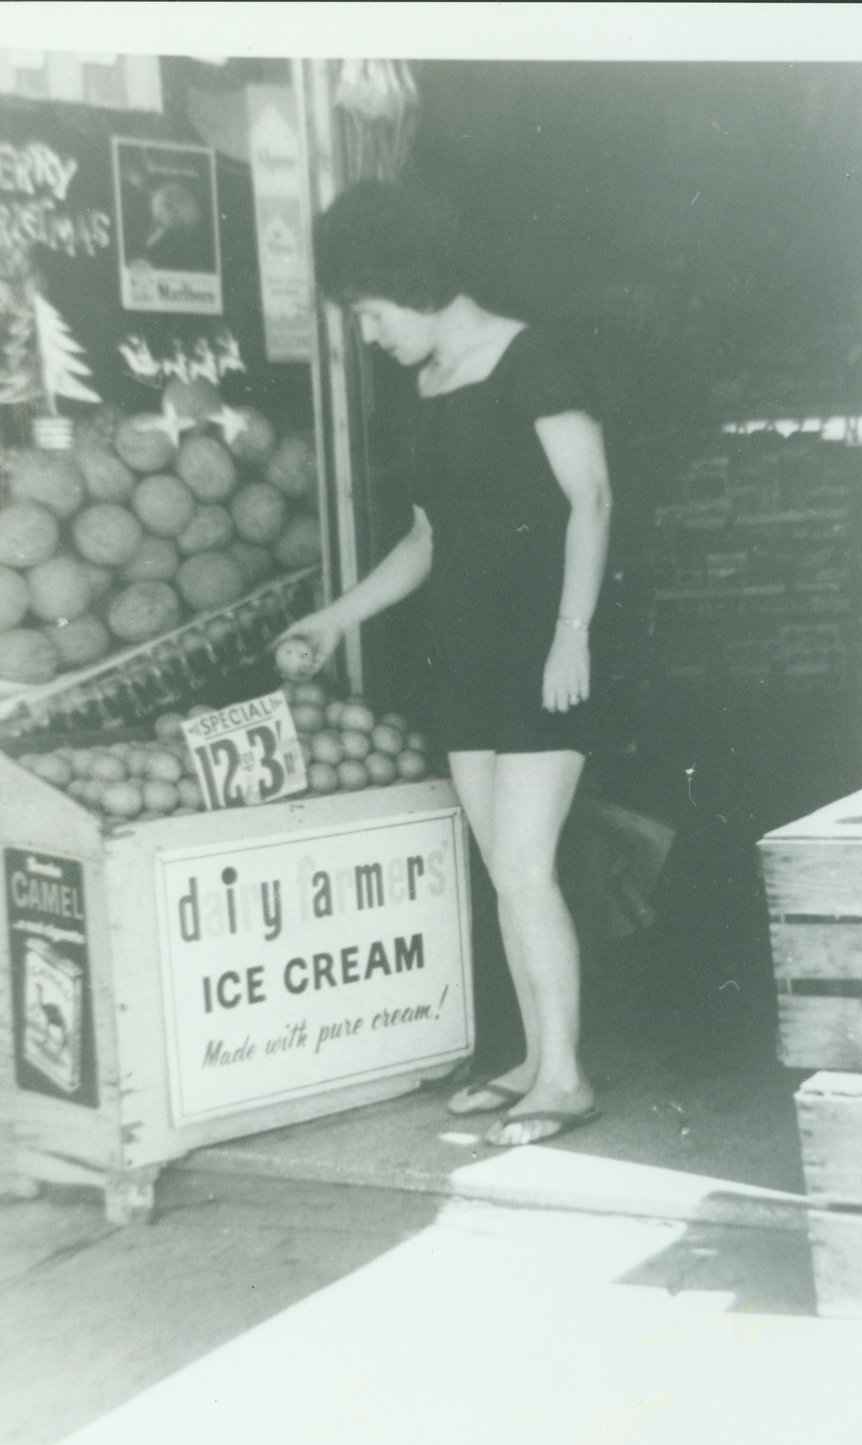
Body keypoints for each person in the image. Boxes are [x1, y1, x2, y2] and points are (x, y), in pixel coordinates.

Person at [279, 181, 612, 1147]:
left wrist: (573, 632)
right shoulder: (421, 389)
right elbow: (428, 538)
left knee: (525, 864)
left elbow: (590, 500)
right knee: (505, 870)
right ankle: (533, 1061)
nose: (370, 334)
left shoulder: (536, 359)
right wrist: (336, 617)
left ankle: (567, 1078)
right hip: (467, 651)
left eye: (372, 313)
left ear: (412, 282)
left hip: (545, 647)